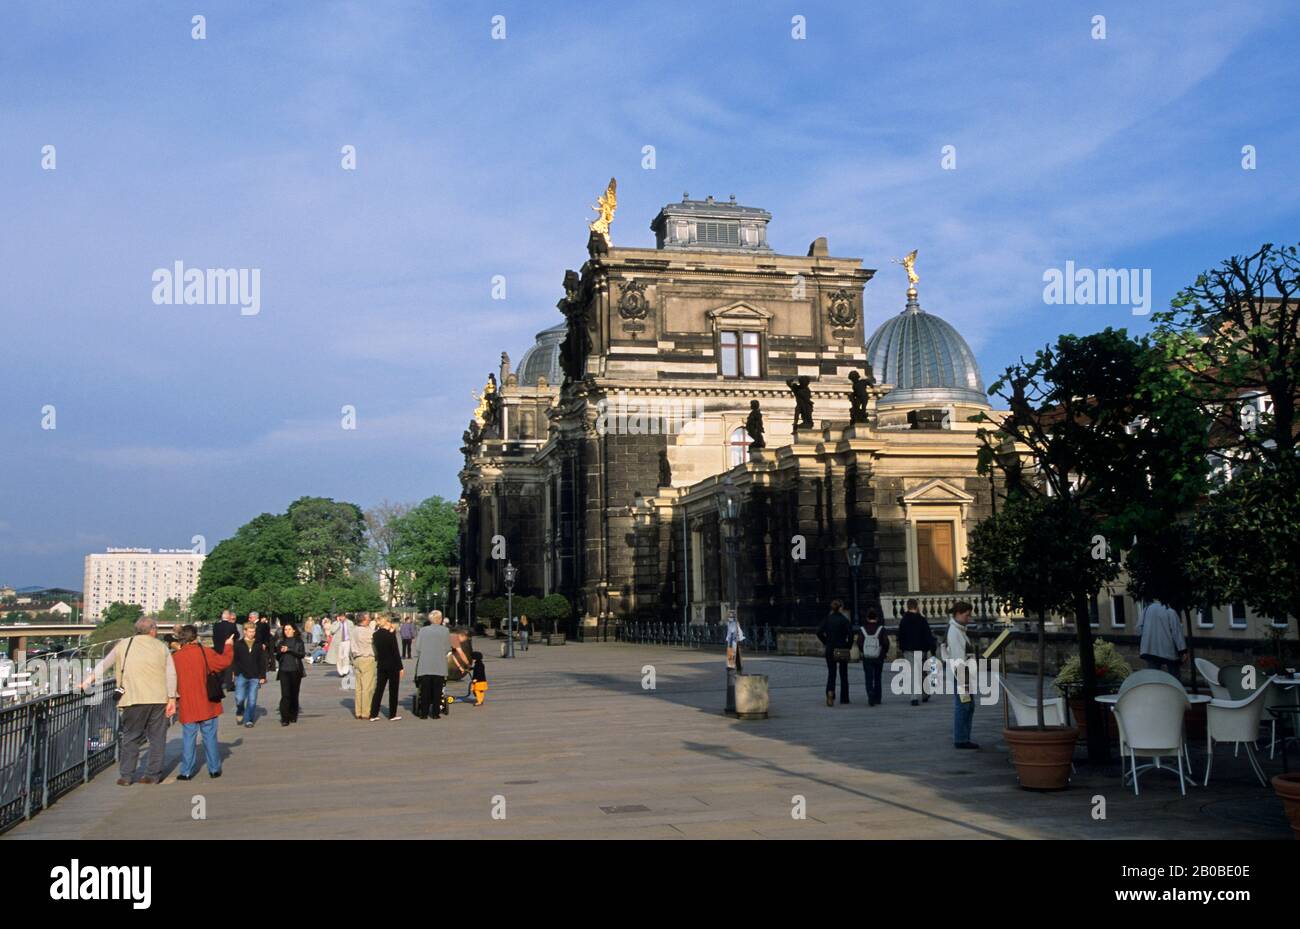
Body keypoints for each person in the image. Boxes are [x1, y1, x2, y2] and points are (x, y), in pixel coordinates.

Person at [79, 617, 177, 786]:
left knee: (131, 737)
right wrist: (172, 698)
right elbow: (171, 674)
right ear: (153, 630)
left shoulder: (124, 644)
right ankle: (153, 775)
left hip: (133, 698)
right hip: (158, 699)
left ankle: (126, 775)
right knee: (157, 738)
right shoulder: (162, 647)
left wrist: (88, 681)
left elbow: (105, 664)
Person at [171, 624, 237, 779]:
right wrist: (228, 646)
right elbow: (224, 662)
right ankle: (214, 768)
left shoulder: (175, 658)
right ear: (196, 637)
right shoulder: (205, 652)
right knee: (210, 736)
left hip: (187, 703)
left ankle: (186, 771)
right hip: (207, 701)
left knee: (188, 738)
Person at [946, 602, 979, 750]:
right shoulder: (955, 632)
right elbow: (959, 657)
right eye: (967, 614)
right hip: (961, 675)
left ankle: (964, 737)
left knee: (968, 705)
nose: (969, 618)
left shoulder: (959, 630)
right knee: (964, 706)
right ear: (958, 613)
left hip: (964, 674)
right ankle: (961, 739)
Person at [896, 598, 937, 706]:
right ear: (916, 606)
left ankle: (914, 696)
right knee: (919, 672)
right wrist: (931, 648)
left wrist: (902, 648)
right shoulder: (922, 620)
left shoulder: (904, 620)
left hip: (908, 649)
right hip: (920, 649)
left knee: (912, 672)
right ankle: (924, 693)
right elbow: (928, 635)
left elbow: (900, 636)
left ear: (907, 607)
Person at [412, 611, 451, 719]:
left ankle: (424, 713)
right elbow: (448, 647)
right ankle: (435, 713)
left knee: (425, 690)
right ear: (439, 619)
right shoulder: (445, 631)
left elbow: (418, 647)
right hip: (439, 664)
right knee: (438, 690)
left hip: (425, 664)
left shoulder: (423, 630)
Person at [817, 599, 853, 706]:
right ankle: (844, 697)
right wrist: (848, 646)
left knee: (831, 673)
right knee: (843, 674)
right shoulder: (844, 620)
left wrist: (825, 642)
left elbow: (819, 632)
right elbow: (850, 635)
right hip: (841, 648)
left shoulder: (827, 619)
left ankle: (830, 692)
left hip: (830, 648)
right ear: (840, 608)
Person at [232, 621, 269, 727]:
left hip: (255, 675)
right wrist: (234, 672)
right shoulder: (238, 644)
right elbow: (234, 660)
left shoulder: (258, 644)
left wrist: (263, 676)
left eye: (254, 631)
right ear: (245, 632)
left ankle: (249, 719)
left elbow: (262, 661)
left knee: (252, 699)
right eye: (250, 631)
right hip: (241, 674)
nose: (252, 633)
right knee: (239, 698)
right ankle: (240, 709)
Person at [1137, 599, 1186, 678]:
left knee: (1154, 678)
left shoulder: (1146, 610)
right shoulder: (1169, 611)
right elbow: (1176, 632)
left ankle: (1156, 689)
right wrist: (1183, 650)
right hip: (1168, 650)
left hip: (1150, 649)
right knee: (1174, 678)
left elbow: (1139, 629)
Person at [369, 615, 404, 721]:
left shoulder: (375, 635)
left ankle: (373, 713)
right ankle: (392, 714)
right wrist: (400, 667)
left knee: (379, 689)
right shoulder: (390, 635)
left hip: (381, 664)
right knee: (393, 690)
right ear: (387, 622)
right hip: (393, 665)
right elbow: (395, 651)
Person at [856, 607, 890, 706]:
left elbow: (859, 643)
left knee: (868, 677)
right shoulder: (881, 629)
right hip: (879, 657)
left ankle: (870, 693)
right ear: (877, 618)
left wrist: (864, 651)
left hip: (867, 657)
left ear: (867, 618)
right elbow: (886, 643)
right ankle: (878, 698)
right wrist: (884, 652)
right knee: (878, 677)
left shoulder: (862, 629)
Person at [275, 621, 307, 726]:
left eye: (289, 629)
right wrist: (280, 652)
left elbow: (301, 654)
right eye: (285, 630)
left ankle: (293, 714)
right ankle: (284, 718)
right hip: (284, 670)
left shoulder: (299, 642)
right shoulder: (281, 642)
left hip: (295, 670)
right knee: (285, 694)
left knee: (294, 694)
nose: (287, 631)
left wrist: (289, 650)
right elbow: (278, 657)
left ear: (294, 630)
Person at [350, 613, 376, 720]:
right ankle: (366, 711)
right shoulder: (367, 631)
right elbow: (375, 640)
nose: (370, 619)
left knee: (359, 687)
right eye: (368, 617)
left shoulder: (354, 630)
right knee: (368, 687)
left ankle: (358, 711)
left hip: (357, 659)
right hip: (367, 658)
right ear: (364, 620)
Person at [212, 609, 240, 693]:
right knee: (229, 666)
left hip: (218, 648)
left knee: (219, 666)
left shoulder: (216, 626)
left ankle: (219, 683)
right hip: (228, 647)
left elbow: (214, 636)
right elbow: (237, 635)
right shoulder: (232, 625)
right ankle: (229, 685)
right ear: (228, 616)